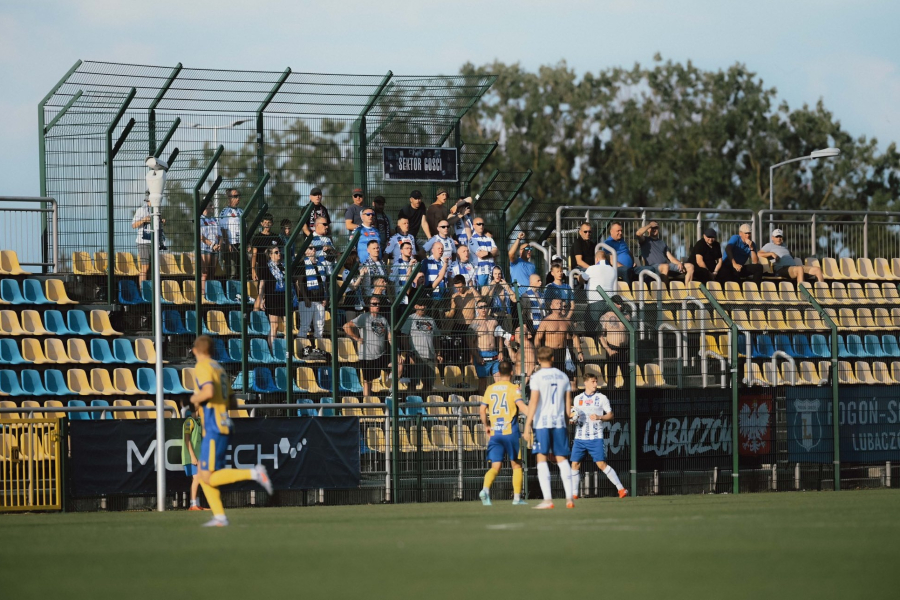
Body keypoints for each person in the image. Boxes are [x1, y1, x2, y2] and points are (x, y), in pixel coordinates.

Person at [190, 335, 273, 527]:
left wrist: (194, 399)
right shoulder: (219, 369)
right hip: (223, 424)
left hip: (214, 427)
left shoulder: (202, 367)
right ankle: (220, 517)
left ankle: (254, 473)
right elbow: (233, 401)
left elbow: (208, 392)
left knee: (207, 476)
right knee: (203, 475)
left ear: (195, 350)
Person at [523, 346, 575, 510]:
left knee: (541, 458)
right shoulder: (563, 377)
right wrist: (566, 424)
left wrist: (527, 426)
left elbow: (533, 402)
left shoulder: (536, 377)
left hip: (542, 423)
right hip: (559, 422)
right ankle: (569, 498)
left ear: (538, 360)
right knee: (562, 459)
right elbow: (568, 407)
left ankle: (548, 500)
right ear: (553, 358)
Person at [569, 373, 628, 499]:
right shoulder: (577, 399)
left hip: (595, 437)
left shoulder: (601, 398)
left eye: (596, 381)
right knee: (575, 464)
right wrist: (572, 420)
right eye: (593, 381)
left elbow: (611, 415)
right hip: (580, 437)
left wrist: (599, 417)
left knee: (601, 464)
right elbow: (574, 415)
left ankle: (621, 489)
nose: (595, 384)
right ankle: (574, 494)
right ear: (585, 383)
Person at [478, 360, 529, 506]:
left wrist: (486, 426)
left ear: (499, 373)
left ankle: (485, 490)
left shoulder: (490, 389)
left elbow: (482, 410)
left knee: (495, 467)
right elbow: (521, 406)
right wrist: (533, 415)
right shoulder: (514, 388)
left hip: (495, 433)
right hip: (510, 432)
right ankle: (517, 498)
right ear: (512, 373)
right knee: (516, 465)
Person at [343, 296, 391, 398]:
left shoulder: (383, 319)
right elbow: (346, 326)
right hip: (367, 355)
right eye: (374, 304)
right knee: (367, 381)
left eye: (378, 304)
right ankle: (367, 401)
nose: (377, 306)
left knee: (395, 367)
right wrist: (357, 338)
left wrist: (396, 349)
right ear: (369, 306)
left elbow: (389, 336)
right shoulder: (364, 317)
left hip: (381, 354)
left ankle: (390, 389)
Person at [471, 300, 517, 393]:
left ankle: (499, 399)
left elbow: (499, 336)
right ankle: (482, 401)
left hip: (494, 354)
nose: (483, 309)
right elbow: (470, 342)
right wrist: (477, 356)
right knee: (482, 382)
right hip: (482, 354)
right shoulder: (474, 323)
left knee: (499, 380)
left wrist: (500, 351)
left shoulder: (494, 321)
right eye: (480, 307)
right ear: (477, 309)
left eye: (485, 306)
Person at [534, 298, 583, 384]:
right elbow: (537, 338)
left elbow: (574, 336)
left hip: (563, 352)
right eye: (557, 303)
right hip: (550, 352)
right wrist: (539, 354)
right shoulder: (546, 321)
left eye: (560, 303)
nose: (560, 305)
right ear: (551, 306)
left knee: (567, 379)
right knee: (551, 379)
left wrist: (579, 352)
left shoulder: (567, 321)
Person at [254, 246, 292, 351]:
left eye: (279, 252)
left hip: (284, 298)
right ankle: (273, 350)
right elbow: (262, 285)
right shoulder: (266, 268)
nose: (279, 254)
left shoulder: (284, 266)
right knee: (274, 327)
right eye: (276, 252)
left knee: (288, 327)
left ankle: (286, 351)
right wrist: (261, 299)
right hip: (272, 299)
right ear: (270, 255)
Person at [401, 297, 442, 396]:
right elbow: (403, 336)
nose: (423, 307)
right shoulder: (410, 318)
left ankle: (425, 403)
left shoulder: (431, 320)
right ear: (415, 306)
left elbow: (436, 337)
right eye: (420, 305)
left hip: (430, 356)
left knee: (428, 384)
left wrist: (438, 354)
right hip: (416, 356)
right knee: (412, 383)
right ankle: (411, 403)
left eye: (424, 305)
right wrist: (409, 353)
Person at [758, 228, 824, 285]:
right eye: (777, 237)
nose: (779, 238)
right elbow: (759, 254)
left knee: (817, 269)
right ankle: (802, 293)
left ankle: (821, 292)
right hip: (781, 269)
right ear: (772, 238)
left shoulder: (784, 245)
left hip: (793, 268)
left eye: (780, 237)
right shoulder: (769, 245)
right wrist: (771, 253)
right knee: (799, 269)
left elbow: (791, 256)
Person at [131, 191, 166, 284]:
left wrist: (161, 222)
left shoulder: (156, 210)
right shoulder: (141, 210)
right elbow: (133, 225)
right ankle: (142, 289)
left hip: (154, 242)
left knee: (152, 268)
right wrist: (144, 220)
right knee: (145, 267)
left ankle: (151, 288)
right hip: (143, 242)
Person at [296, 246, 327, 342]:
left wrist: (325, 297)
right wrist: (306, 298)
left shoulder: (320, 264)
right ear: (305, 251)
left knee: (320, 328)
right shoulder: (302, 264)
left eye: (315, 248)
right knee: (305, 326)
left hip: (319, 300)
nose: (314, 249)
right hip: (307, 300)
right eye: (310, 248)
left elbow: (324, 283)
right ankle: (300, 347)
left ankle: (318, 348)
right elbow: (300, 282)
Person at [583, 249, 618, 332]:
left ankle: (593, 339)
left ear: (597, 259)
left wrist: (579, 277)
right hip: (609, 302)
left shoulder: (592, 268)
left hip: (595, 302)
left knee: (591, 329)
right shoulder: (613, 270)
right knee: (608, 329)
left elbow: (583, 278)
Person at [598, 295, 629, 387]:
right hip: (612, 348)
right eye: (617, 304)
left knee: (627, 377)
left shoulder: (626, 316)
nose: (620, 306)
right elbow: (600, 336)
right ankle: (611, 394)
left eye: (621, 304)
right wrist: (608, 350)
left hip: (624, 349)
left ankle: (627, 394)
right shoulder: (606, 316)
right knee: (611, 377)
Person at [181, 406, 204, 511]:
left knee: (198, 479)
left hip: (198, 457)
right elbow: (187, 440)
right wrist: (193, 457)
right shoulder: (189, 422)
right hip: (191, 457)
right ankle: (192, 504)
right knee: (196, 479)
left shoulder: (198, 422)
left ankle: (197, 504)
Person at [218, 188, 243, 280]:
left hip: (241, 244)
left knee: (242, 270)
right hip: (231, 244)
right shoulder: (225, 212)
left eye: (238, 196)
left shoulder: (241, 211)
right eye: (235, 196)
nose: (238, 198)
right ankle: (232, 288)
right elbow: (223, 229)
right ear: (229, 198)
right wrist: (228, 243)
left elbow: (245, 228)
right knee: (233, 271)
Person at [250, 214, 280, 282]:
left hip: (274, 268)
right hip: (262, 267)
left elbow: (281, 252)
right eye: (265, 222)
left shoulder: (276, 237)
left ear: (272, 223)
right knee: (262, 285)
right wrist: (253, 270)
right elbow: (254, 254)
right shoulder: (257, 237)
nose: (267, 224)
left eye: (269, 222)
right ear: (262, 224)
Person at [468, 217, 498, 287]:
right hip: (480, 272)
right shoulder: (472, 240)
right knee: (482, 292)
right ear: (474, 226)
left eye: (482, 224)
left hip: (492, 270)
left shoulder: (489, 239)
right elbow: (481, 254)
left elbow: (496, 251)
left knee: (493, 291)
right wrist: (491, 253)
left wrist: (487, 253)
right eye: (478, 224)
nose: (481, 226)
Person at [199, 204, 220, 289]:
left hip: (215, 249)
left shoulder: (215, 219)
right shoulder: (200, 219)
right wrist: (212, 245)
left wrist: (219, 244)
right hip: (205, 249)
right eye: (210, 205)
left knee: (212, 273)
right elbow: (200, 236)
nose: (213, 207)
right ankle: (203, 294)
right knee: (205, 273)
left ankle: (210, 293)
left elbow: (220, 235)